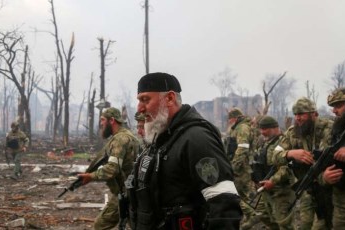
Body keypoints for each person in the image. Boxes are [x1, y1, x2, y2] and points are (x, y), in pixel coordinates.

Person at [128, 72, 242, 230]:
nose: (140, 108)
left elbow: (224, 202)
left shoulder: (196, 139)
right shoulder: (160, 140)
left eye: (146, 100)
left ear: (169, 98)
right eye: (139, 101)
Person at [272, 97, 332, 230]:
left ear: (314, 114)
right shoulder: (292, 133)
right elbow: (274, 156)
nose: (298, 118)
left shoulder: (327, 129)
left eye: (302, 114)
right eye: (296, 114)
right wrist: (290, 154)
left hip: (328, 188)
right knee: (304, 225)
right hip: (307, 187)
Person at [78, 107, 140, 230]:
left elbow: (112, 169)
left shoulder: (120, 139)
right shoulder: (128, 136)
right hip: (131, 191)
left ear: (111, 120)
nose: (101, 124)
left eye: (102, 120)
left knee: (100, 225)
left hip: (127, 193)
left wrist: (91, 176)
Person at [251, 116, 296, 230]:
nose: (262, 132)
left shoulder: (283, 143)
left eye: (265, 129)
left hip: (281, 189)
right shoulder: (264, 143)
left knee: (284, 223)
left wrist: (273, 181)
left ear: (275, 128)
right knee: (264, 216)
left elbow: (287, 167)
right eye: (261, 129)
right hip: (266, 188)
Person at [320, 87, 345, 229]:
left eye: (339, 106)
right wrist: (325, 177)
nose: (334, 111)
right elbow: (322, 160)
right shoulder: (335, 129)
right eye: (333, 107)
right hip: (343, 196)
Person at [226, 107, 258, 229]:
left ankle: (252, 214)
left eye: (230, 119)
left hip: (240, 169)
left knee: (233, 195)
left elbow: (242, 148)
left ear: (235, 118)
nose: (229, 122)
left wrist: (233, 167)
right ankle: (248, 220)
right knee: (242, 196)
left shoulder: (242, 128)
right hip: (240, 167)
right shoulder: (239, 128)